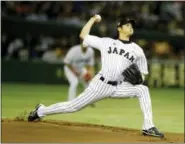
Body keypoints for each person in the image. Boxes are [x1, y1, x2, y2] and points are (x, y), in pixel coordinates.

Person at [28, 14, 164, 138]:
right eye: (127, 25)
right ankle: (41, 111)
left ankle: (148, 126)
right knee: (73, 107)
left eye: (131, 25)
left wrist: (139, 79)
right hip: (100, 85)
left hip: (118, 87)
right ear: (119, 28)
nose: (130, 27)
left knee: (142, 89)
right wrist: (93, 19)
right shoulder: (107, 42)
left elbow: (143, 73)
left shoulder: (137, 50)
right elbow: (83, 35)